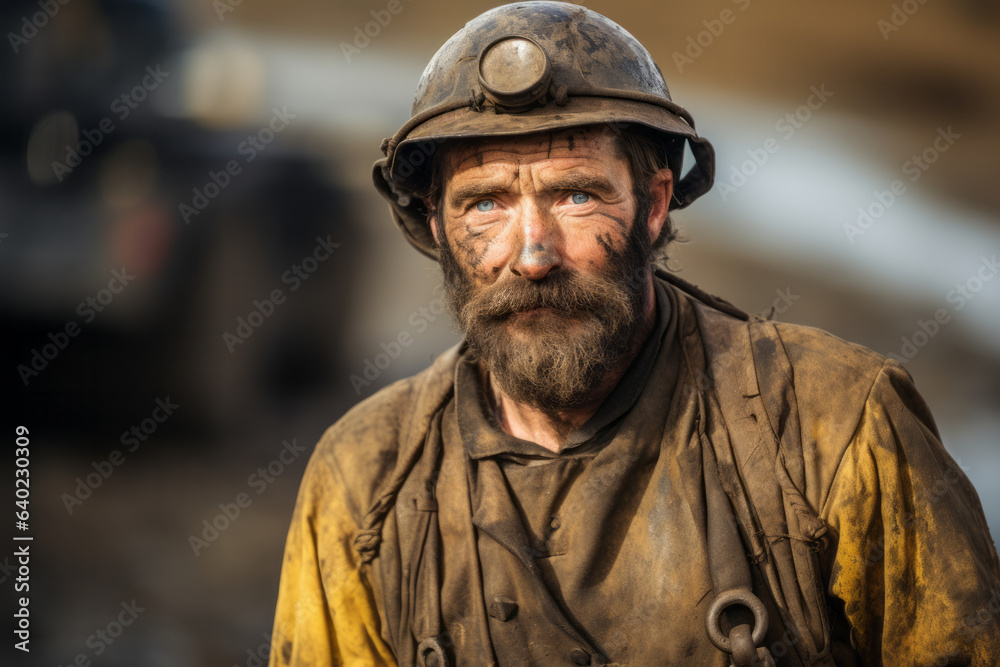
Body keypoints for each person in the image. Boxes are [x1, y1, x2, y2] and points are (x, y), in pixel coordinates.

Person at [269, 3, 1000, 665]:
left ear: (654, 204)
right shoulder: (364, 480)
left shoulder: (834, 423)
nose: (531, 256)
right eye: (485, 204)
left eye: (577, 194)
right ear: (436, 226)